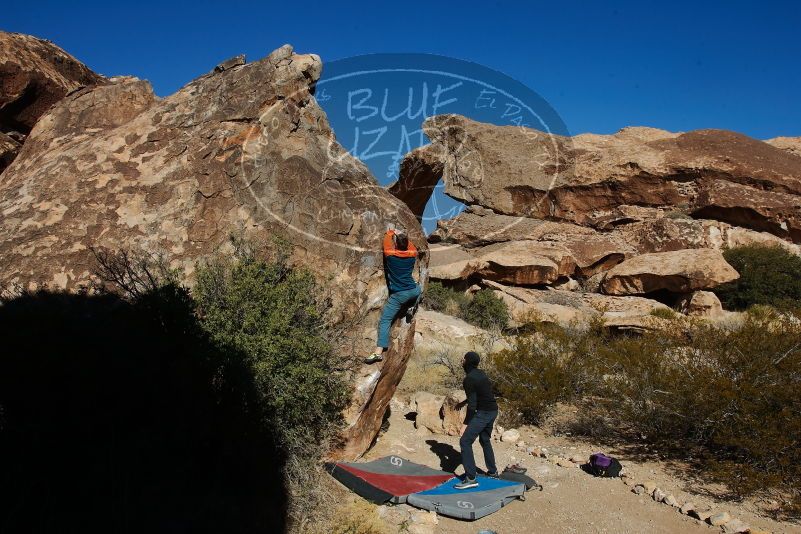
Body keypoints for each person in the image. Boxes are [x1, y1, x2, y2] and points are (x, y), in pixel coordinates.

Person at [364, 227, 421, 364]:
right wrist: (400, 233)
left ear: (396, 244)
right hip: (413, 290)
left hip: (399, 295)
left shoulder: (390, 254)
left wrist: (391, 232)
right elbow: (410, 244)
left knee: (385, 321)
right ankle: (411, 307)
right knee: (418, 289)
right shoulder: (412, 253)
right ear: (407, 244)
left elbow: (386, 240)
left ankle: (378, 352)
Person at [455, 351, 499, 490]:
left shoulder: (469, 379)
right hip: (493, 410)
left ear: (466, 361)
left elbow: (473, 406)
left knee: (465, 441)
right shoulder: (480, 373)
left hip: (484, 413)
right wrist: (464, 402)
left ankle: (471, 478)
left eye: (463, 358)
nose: (461, 360)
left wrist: (464, 424)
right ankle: (493, 472)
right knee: (484, 440)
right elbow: (479, 393)